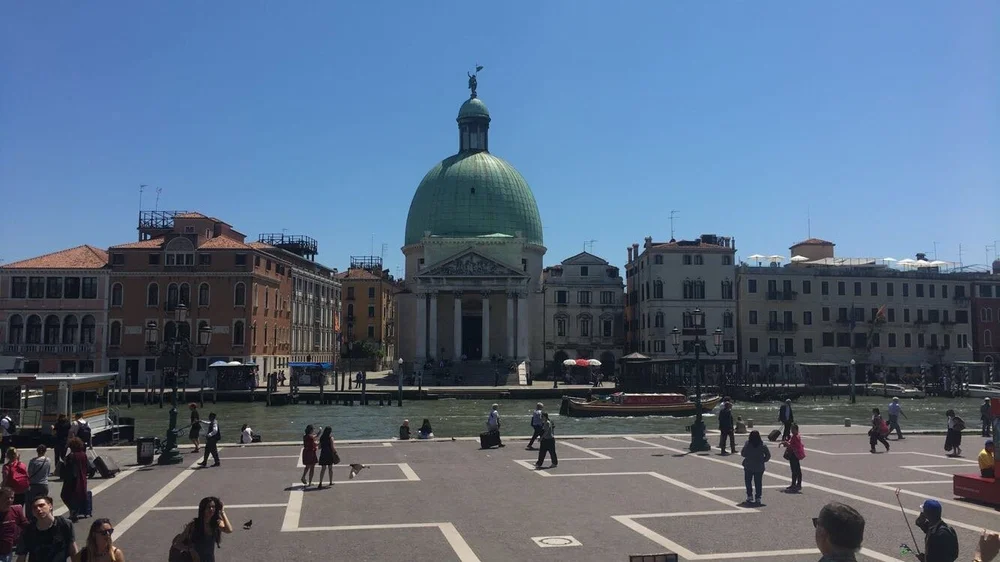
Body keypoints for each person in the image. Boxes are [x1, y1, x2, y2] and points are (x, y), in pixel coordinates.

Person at [15, 496, 77, 562]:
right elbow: (21, 557)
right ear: (32, 512)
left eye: (41, 505)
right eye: (34, 507)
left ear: (50, 506)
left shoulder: (64, 524)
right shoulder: (28, 530)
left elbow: (73, 551)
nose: (38, 509)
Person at [171, 497, 232, 562]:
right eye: (208, 507)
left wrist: (222, 512)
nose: (211, 509)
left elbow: (229, 530)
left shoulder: (216, 523)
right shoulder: (194, 525)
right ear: (203, 509)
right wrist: (190, 549)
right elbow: (177, 543)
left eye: (213, 507)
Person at [60, 438, 89, 522]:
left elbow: (68, 466)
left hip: (72, 479)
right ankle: (74, 513)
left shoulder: (71, 456)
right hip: (82, 478)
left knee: (64, 495)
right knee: (77, 496)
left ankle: (73, 511)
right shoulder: (83, 454)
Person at [740, 430, 770, 505]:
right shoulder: (762, 445)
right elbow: (768, 455)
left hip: (748, 465)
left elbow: (743, 453)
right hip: (759, 466)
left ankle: (749, 495)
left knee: (748, 481)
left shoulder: (747, 444)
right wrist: (763, 460)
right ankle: (758, 497)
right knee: (758, 482)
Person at [0, 487, 28, 562]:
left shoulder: (16, 510)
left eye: (12, 498)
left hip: (8, 552)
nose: (10, 500)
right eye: (6, 498)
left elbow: (26, 526)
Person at [780, 423, 805, 492]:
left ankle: (796, 484)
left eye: (793, 429)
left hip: (794, 454)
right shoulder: (794, 436)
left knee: (795, 470)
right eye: (791, 429)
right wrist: (787, 443)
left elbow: (795, 446)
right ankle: (796, 484)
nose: (792, 431)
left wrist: (787, 444)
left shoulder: (796, 437)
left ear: (796, 429)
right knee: (796, 469)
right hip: (794, 454)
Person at [25, 446, 50, 516]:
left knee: (30, 503)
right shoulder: (48, 460)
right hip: (44, 484)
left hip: (34, 484)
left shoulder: (33, 461)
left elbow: (29, 473)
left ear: (37, 451)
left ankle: (30, 519)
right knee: (42, 503)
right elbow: (48, 472)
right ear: (45, 451)